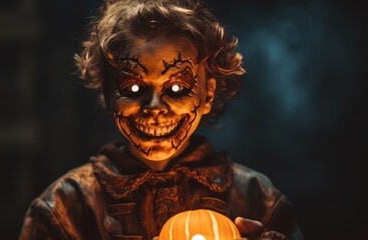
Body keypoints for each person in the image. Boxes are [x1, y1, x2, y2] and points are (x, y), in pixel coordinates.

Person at [20, 0, 303, 239]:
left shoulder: (259, 200)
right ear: (108, 94)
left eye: (177, 88)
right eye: (132, 88)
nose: (154, 106)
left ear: (207, 95)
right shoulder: (65, 207)